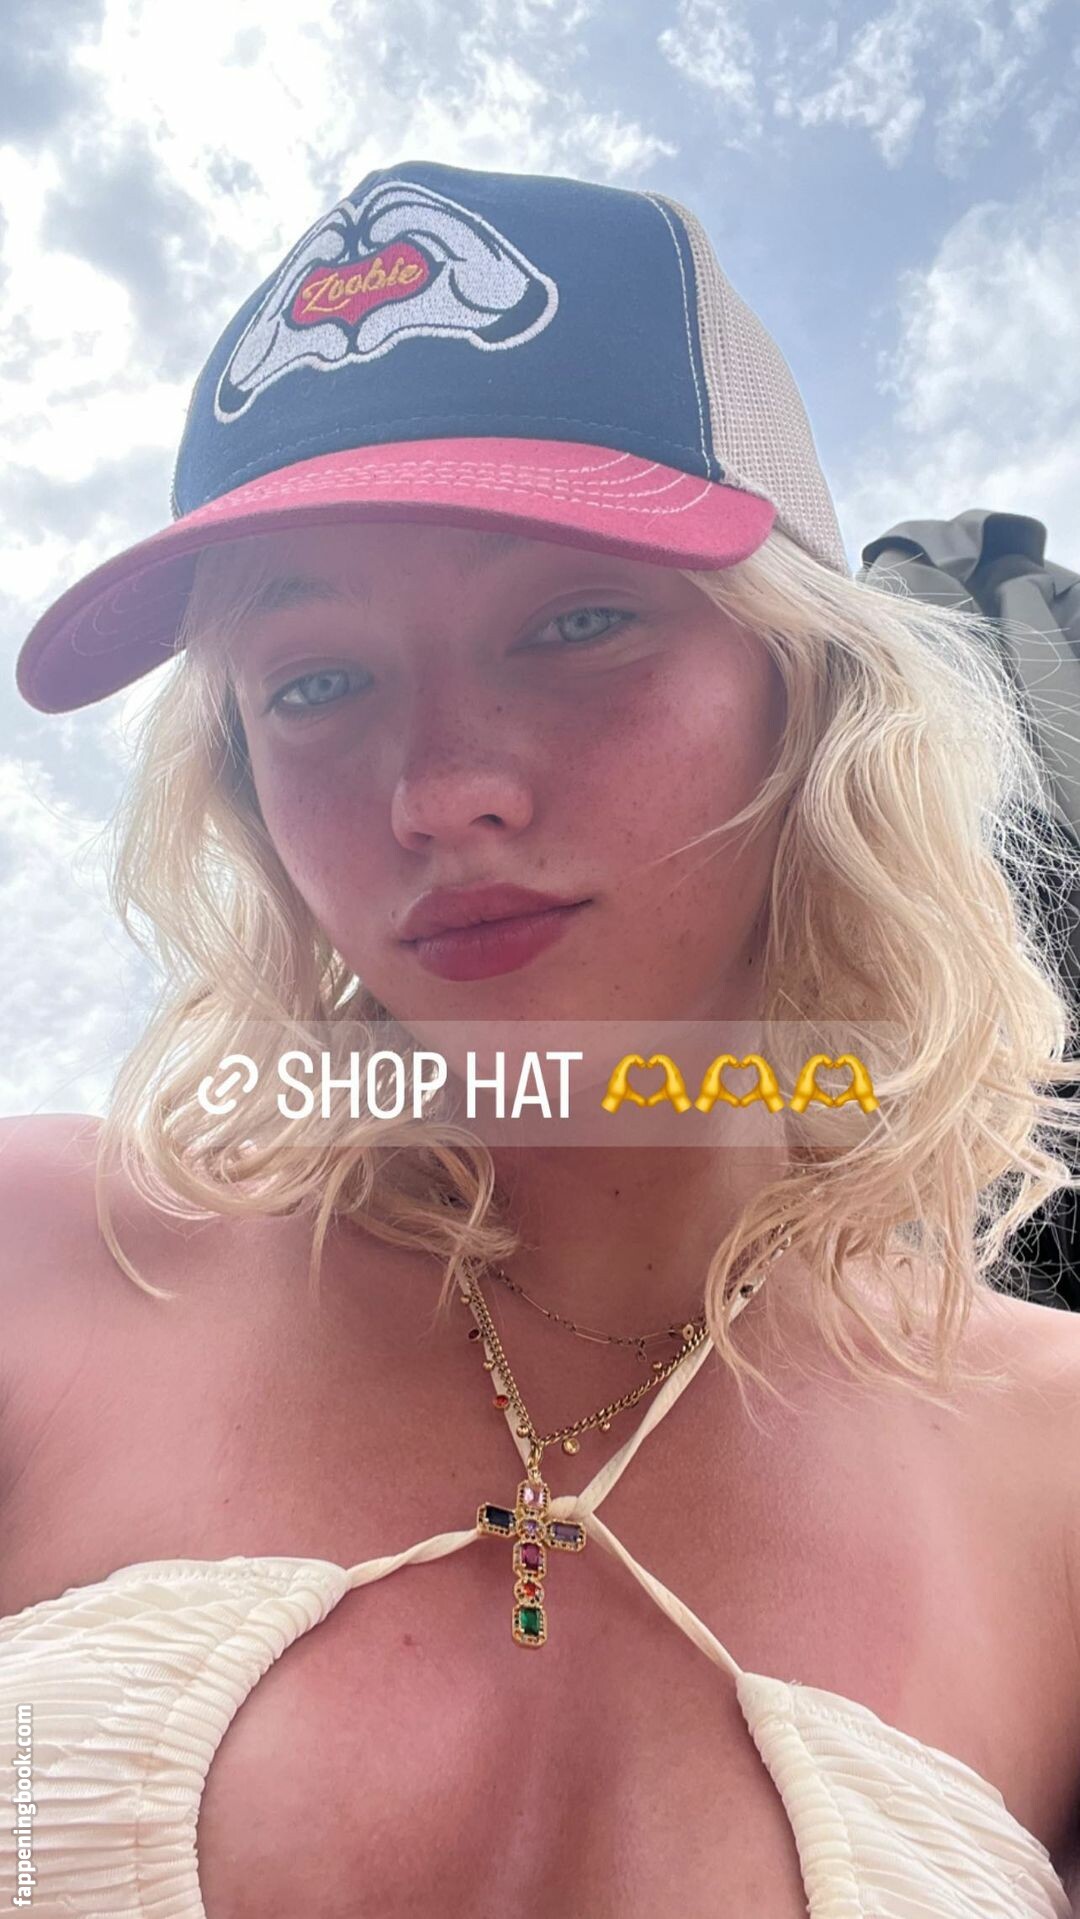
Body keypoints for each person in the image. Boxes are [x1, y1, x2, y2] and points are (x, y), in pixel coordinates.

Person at [2, 157, 1079, 1918]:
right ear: (244, 787)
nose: (441, 792)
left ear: (813, 692)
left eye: (577, 622)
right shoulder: (40, 1261)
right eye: (316, 682)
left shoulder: (1056, 1463)